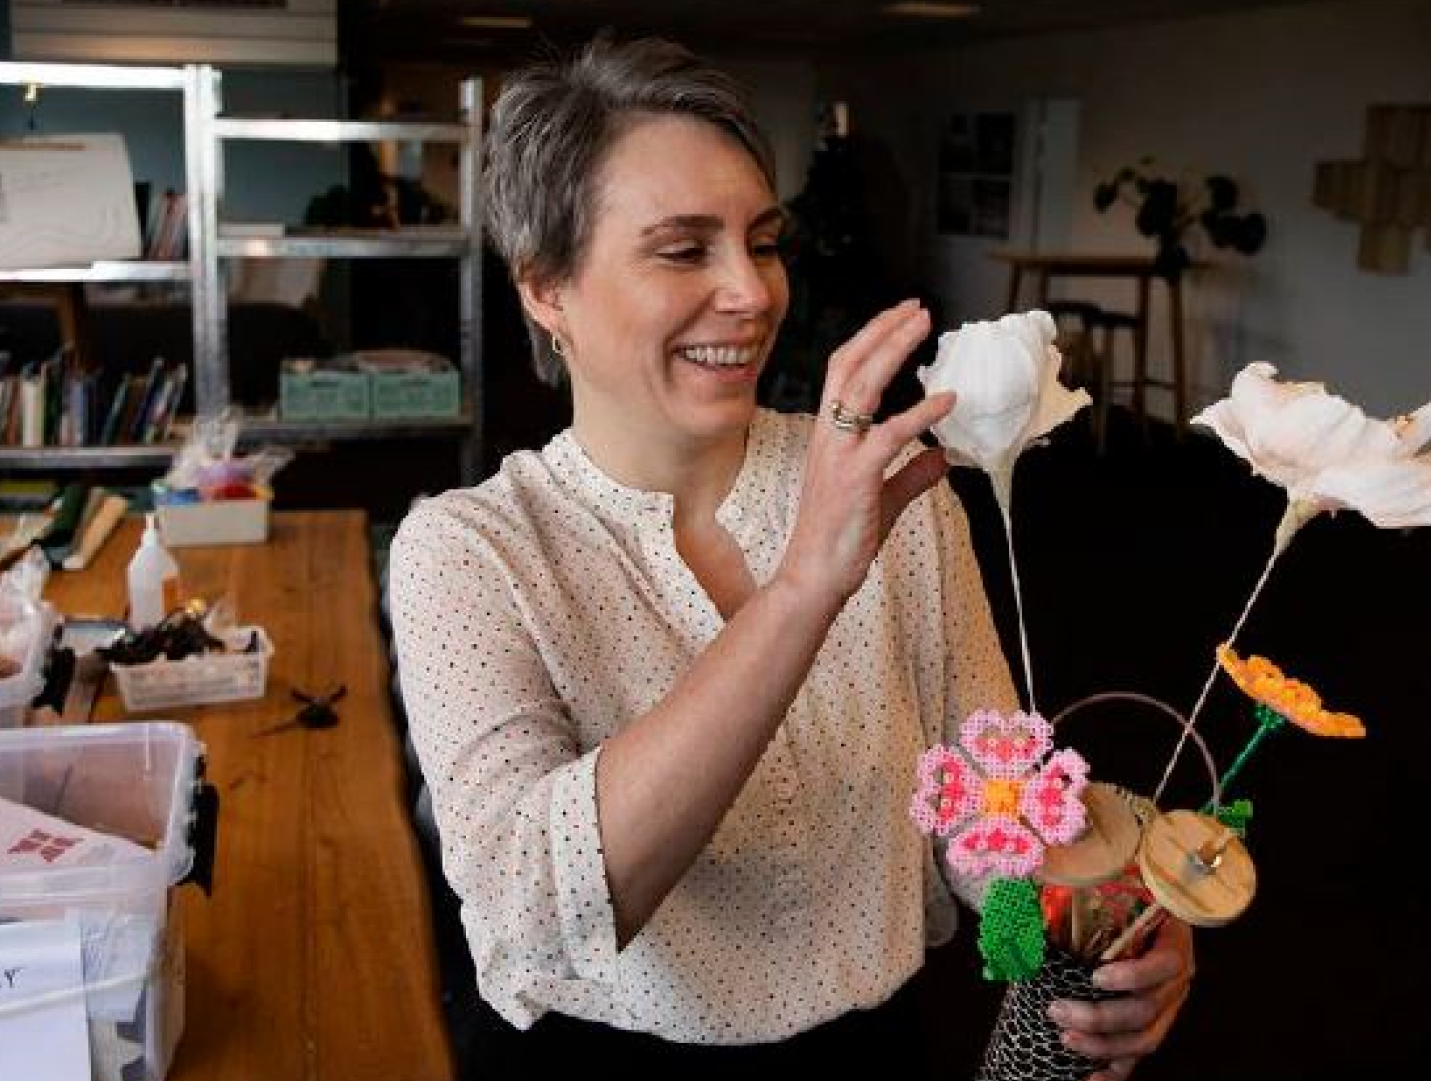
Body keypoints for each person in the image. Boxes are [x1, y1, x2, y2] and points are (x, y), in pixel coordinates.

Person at [387, 35, 1193, 1081]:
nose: (752, 292)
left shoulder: (894, 492)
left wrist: (1085, 921)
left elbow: (985, 811)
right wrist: (807, 584)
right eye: (684, 249)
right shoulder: (470, 551)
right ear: (546, 286)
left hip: (877, 1048)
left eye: (762, 242)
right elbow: (529, 912)